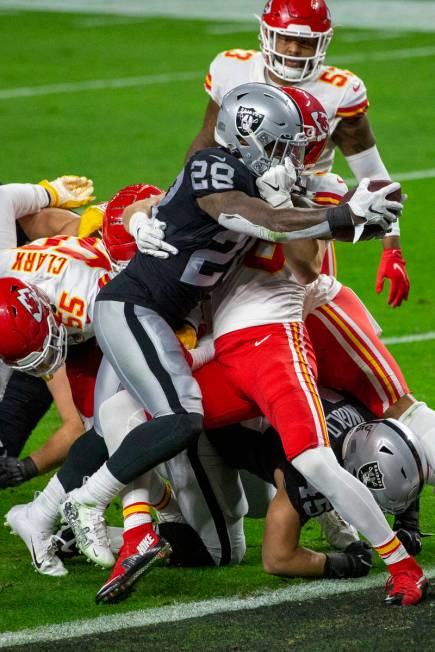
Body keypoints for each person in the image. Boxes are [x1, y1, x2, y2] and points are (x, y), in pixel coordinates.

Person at [187, 0, 410, 307]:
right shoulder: (232, 68)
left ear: (322, 43)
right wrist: (182, 197)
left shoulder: (339, 91)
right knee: (214, 303)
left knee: (310, 302)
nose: (292, 50)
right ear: (266, 35)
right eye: (286, 38)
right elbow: (205, 143)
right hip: (238, 195)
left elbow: (373, 176)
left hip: (303, 202)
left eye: (304, 42)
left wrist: (392, 250)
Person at [0, 182, 166, 485]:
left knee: (111, 419)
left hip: (84, 314)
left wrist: (28, 467)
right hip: (52, 308)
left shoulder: (91, 308)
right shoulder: (10, 267)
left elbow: (78, 426)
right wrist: (49, 194)